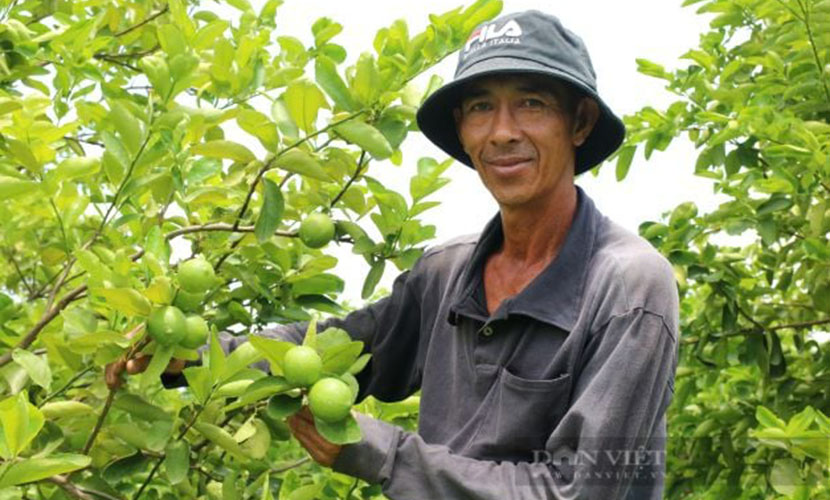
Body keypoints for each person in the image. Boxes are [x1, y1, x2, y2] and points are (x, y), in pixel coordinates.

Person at [113, 10, 680, 499]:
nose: (502, 132)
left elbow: (583, 491)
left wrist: (384, 455)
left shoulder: (630, 289)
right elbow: (337, 350)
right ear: (462, 130)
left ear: (578, 122)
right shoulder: (447, 273)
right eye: (481, 107)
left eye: (530, 104)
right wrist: (200, 354)